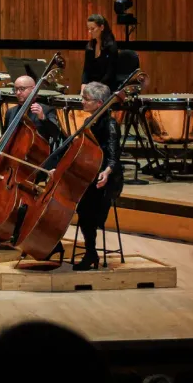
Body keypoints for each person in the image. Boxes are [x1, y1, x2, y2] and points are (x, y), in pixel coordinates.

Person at [44, 82, 122, 272]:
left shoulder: (110, 125)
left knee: (87, 213)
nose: (82, 102)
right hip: (89, 174)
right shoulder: (90, 122)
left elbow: (114, 155)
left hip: (105, 179)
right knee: (79, 208)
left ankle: (90, 253)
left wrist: (107, 171)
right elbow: (79, 150)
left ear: (99, 103)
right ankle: (54, 243)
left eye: (86, 99)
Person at [5, 75, 61, 144]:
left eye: (22, 89)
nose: (18, 93)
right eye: (16, 89)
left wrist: (43, 118)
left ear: (33, 89)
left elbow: (56, 134)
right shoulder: (11, 112)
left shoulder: (46, 110)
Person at [82, 14, 118, 91]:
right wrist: (83, 85)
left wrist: (95, 89)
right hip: (92, 87)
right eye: (88, 29)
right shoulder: (90, 47)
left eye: (92, 29)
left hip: (106, 87)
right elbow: (86, 70)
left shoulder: (111, 47)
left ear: (102, 27)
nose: (90, 31)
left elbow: (110, 74)